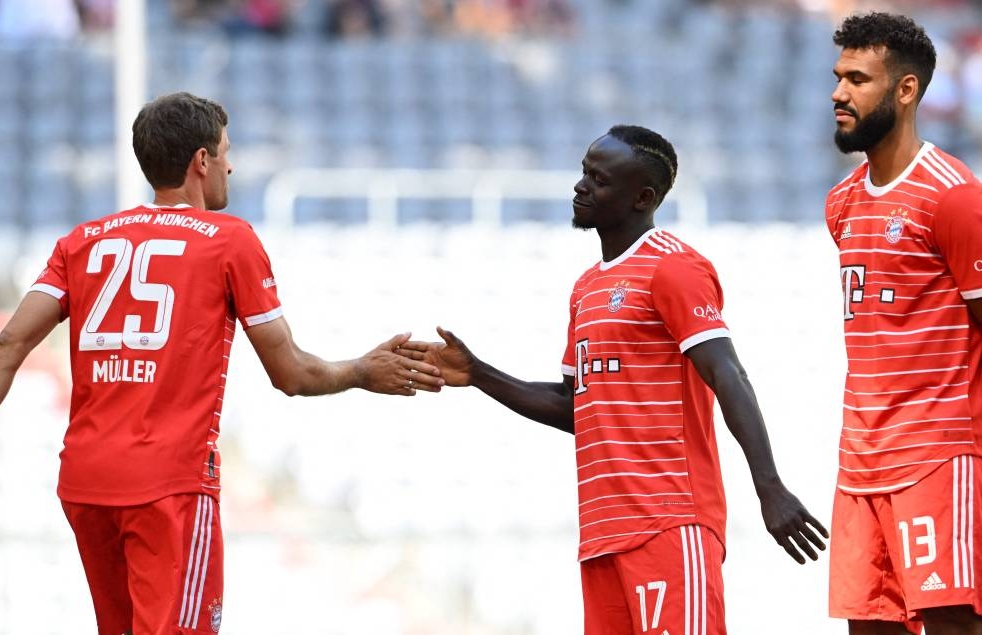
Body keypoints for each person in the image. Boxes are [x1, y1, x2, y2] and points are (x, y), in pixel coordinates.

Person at [0, 91, 444, 635]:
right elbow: (291, 374)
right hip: (168, 485)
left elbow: (8, 347)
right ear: (201, 161)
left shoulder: (82, 241)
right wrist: (363, 372)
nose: (232, 163)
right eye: (225, 150)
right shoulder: (230, 241)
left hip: (86, 483)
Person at [401, 125, 828, 634]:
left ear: (641, 197)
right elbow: (574, 405)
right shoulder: (586, 289)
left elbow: (727, 372)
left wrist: (770, 487)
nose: (581, 186)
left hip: (670, 522)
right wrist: (478, 374)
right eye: (584, 172)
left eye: (599, 180)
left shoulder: (673, 268)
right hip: (604, 534)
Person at [824, 12, 982, 635]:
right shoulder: (841, 203)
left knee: (950, 625)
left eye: (858, 79)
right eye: (838, 77)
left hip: (938, 459)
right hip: (859, 465)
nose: (839, 93)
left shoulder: (955, 196)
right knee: (870, 630)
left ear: (906, 90)